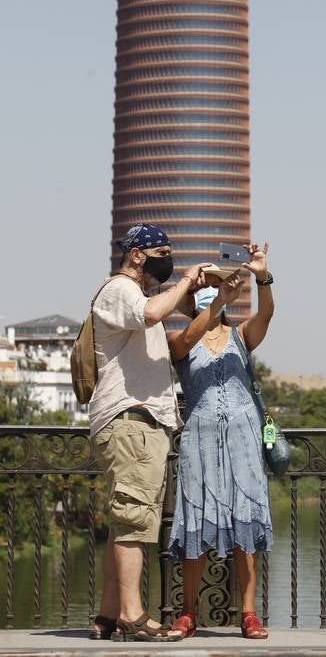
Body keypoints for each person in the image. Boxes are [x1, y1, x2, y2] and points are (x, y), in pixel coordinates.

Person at [89, 223, 210, 643]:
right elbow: (155, 313)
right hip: (131, 420)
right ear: (137, 255)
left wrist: (216, 292)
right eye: (161, 251)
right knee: (136, 521)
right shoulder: (121, 289)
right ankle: (133, 615)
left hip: (140, 422)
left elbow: (178, 327)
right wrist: (186, 280)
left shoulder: (136, 295)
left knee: (129, 520)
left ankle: (107, 615)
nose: (167, 259)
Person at [167, 241, 275, 639]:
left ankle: (248, 613)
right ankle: (187, 611)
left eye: (217, 285)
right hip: (199, 438)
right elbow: (185, 343)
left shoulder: (241, 335)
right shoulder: (181, 339)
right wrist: (213, 305)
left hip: (243, 438)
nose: (213, 290)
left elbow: (267, 313)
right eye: (205, 286)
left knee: (244, 523)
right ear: (193, 296)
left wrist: (262, 275)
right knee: (195, 519)